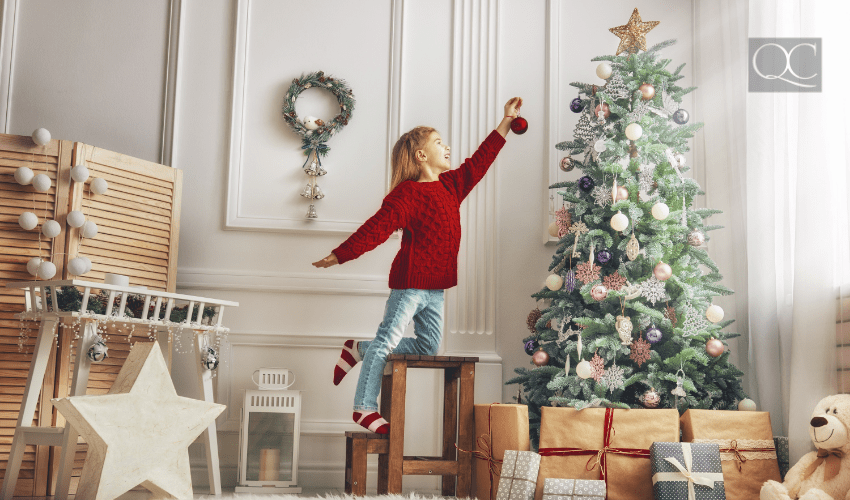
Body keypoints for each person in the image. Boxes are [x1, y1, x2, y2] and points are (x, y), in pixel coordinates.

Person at [312, 97, 523, 433]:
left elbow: (481, 161)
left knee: (428, 348)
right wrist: (341, 254)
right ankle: (363, 408)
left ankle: (357, 349)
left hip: (436, 288)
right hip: (410, 285)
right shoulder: (407, 195)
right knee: (387, 340)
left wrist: (505, 123)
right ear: (422, 155)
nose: (448, 146)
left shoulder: (452, 185)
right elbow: (376, 228)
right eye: (440, 143)